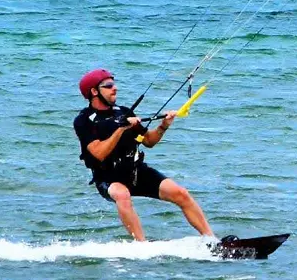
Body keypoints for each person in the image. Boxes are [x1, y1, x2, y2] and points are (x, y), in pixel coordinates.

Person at [73, 68, 215, 242]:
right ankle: (142, 245)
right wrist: (122, 128)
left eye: (114, 84)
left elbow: (149, 141)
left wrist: (164, 125)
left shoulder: (123, 112)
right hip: (108, 177)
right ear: (94, 92)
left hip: (135, 171)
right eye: (108, 85)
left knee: (180, 193)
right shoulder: (84, 120)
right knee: (122, 195)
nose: (115, 88)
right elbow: (98, 153)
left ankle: (212, 241)